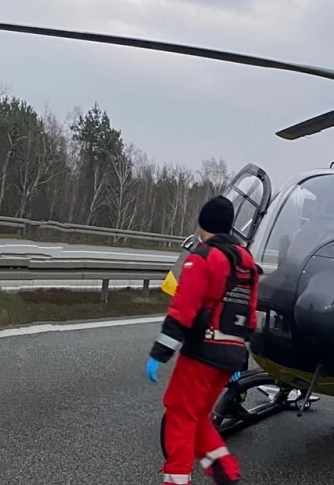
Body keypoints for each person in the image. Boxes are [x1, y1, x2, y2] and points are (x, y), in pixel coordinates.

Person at [145, 195, 261, 485]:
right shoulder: (246, 261)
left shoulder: (203, 257)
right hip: (231, 354)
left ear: (201, 223)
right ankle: (224, 471)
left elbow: (183, 310)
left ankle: (177, 481)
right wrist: (237, 355)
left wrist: (159, 353)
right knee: (196, 416)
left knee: (180, 416)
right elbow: (251, 319)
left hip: (202, 353)